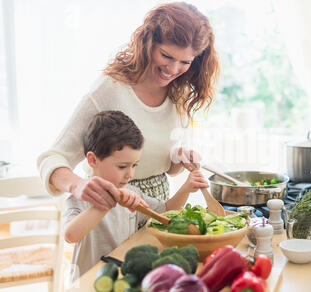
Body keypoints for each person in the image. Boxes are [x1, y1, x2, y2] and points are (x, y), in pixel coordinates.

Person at [37, 2, 219, 209]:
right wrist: (77, 185)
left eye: (185, 62)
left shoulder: (179, 94)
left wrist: (180, 158)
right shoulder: (110, 89)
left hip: (157, 209)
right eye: (166, 56)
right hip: (111, 210)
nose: (173, 69)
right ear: (148, 43)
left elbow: (167, 169)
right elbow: (51, 159)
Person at [64, 110, 208, 281]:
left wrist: (186, 188)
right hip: (87, 283)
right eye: (122, 166)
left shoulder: (132, 192)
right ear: (93, 160)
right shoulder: (80, 197)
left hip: (121, 278)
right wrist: (107, 202)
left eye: (134, 165)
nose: (130, 174)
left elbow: (165, 211)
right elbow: (70, 235)